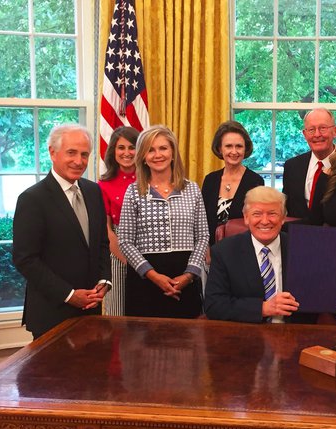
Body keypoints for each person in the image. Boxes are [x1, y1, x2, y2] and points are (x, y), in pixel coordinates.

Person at [12, 124, 111, 339]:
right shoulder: (32, 199)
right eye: (71, 152)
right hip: (51, 313)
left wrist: (104, 281)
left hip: (90, 311)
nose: (79, 161)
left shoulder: (93, 191)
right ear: (52, 152)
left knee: (91, 371)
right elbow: (25, 259)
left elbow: (102, 243)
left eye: (84, 154)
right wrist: (69, 295)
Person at [119, 125, 209, 319]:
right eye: (150, 150)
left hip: (186, 277)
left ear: (173, 152)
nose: (157, 155)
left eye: (163, 148)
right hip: (145, 280)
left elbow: (202, 236)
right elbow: (125, 241)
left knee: (187, 344)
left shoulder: (192, 189)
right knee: (143, 345)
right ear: (143, 156)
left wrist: (189, 275)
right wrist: (153, 275)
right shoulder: (133, 191)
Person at [204, 186, 304, 323]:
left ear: (283, 218)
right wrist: (262, 308)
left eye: (272, 214)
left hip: (295, 333)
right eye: (257, 214)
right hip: (247, 334)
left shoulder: (301, 248)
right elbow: (214, 305)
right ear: (246, 218)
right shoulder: (224, 251)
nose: (264, 221)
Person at [98, 126, 139, 316]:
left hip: (148, 248)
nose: (127, 153)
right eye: (121, 148)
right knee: (117, 313)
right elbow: (107, 230)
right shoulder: (103, 184)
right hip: (117, 252)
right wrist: (128, 260)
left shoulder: (150, 179)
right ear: (113, 151)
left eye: (132, 147)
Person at [202, 121, 264, 245]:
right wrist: (205, 249)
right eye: (229, 146)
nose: (234, 152)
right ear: (220, 148)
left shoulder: (255, 181)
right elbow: (201, 221)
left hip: (242, 249)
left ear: (245, 148)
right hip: (211, 252)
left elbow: (257, 222)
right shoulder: (210, 180)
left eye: (239, 146)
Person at [282, 108, 336, 218]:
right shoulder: (292, 167)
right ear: (304, 134)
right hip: (298, 233)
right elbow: (287, 208)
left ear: (335, 131)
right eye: (311, 129)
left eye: (323, 128)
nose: (317, 134)